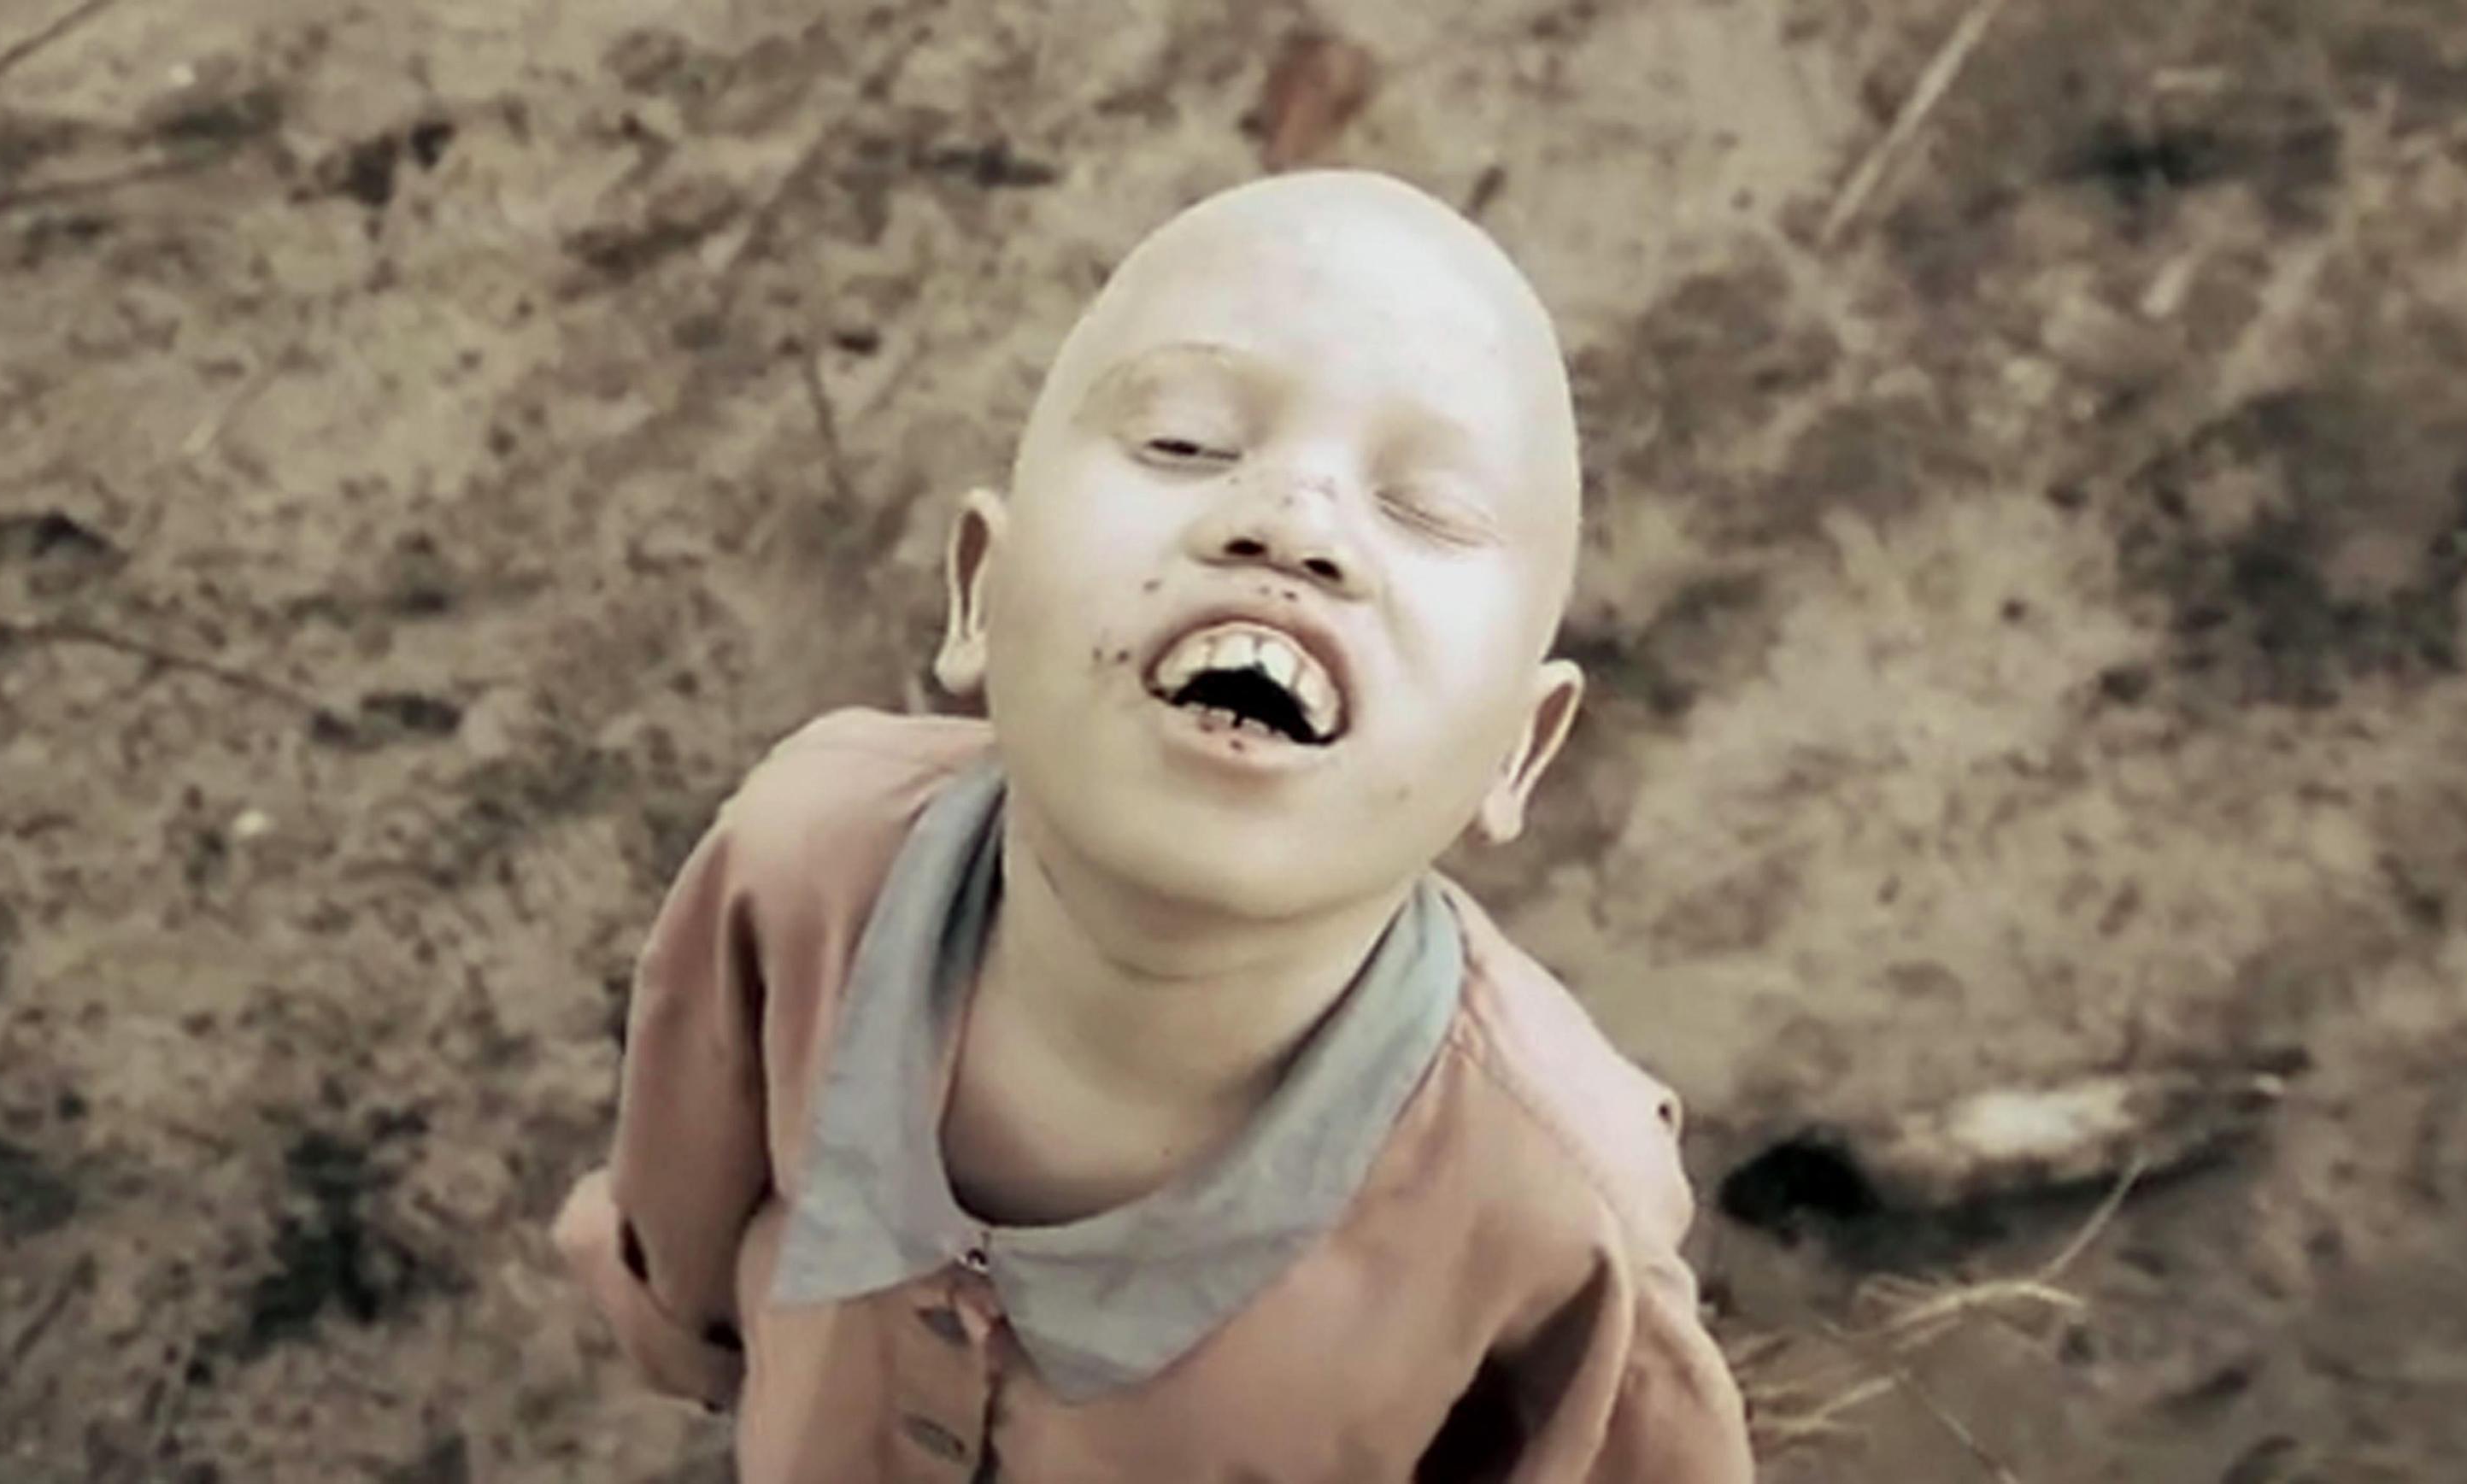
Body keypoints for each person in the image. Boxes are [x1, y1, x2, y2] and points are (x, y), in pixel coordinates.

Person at [553, 168, 1755, 1482]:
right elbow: (682, 1201)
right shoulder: (802, 860)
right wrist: (687, 1328)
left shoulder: (1557, 1206)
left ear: (1516, 751)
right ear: (982, 591)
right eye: (1186, 442)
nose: (1294, 525)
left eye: (1426, 509)